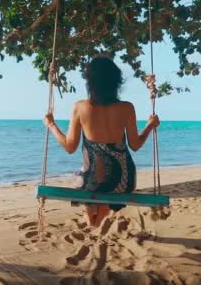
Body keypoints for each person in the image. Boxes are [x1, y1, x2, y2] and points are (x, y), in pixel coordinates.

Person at [43, 56, 160, 227]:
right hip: (124, 182)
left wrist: (51, 124)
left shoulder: (80, 107)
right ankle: (101, 210)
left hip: (91, 182)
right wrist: (150, 126)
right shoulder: (127, 108)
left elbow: (70, 146)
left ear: (89, 82)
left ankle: (91, 211)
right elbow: (135, 145)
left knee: (85, 182)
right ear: (116, 82)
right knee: (106, 190)